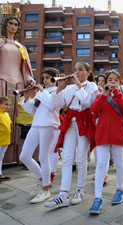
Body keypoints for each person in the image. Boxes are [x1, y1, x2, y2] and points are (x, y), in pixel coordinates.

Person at [45, 62, 98, 208]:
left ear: (88, 72)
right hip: (70, 122)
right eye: (75, 70)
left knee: (81, 157)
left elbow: (89, 103)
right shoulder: (69, 87)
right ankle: (63, 193)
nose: (77, 72)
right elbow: (56, 104)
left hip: (83, 122)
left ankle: (80, 190)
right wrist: (60, 88)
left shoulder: (92, 86)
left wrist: (78, 85)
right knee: (67, 157)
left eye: (80, 70)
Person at [89, 70, 123, 214]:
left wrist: (117, 94)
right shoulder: (101, 96)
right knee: (101, 164)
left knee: (119, 162)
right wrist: (104, 95)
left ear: (120, 83)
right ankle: (97, 197)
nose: (112, 82)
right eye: (110, 80)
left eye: (115, 80)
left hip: (118, 134)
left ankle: (120, 189)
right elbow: (94, 109)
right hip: (102, 134)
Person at [19, 68, 60, 203]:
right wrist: (27, 96)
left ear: (55, 78)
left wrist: (40, 90)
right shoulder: (41, 93)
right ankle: (43, 179)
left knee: (43, 156)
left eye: (48, 77)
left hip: (49, 125)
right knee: (24, 156)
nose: (45, 80)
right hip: (36, 125)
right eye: (44, 78)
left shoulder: (57, 91)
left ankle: (45, 189)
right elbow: (31, 110)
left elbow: (52, 105)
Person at [0, 12, 34, 163]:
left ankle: (12, 157)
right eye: (10, 23)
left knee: (15, 119)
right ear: (4, 25)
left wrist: (29, 79)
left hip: (18, 84)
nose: (13, 27)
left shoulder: (21, 47)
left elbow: (25, 69)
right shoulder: (1, 43)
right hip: (1, 81)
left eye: (16, 24)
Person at [0, 96, 11, 181]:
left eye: (9, 105)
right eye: (5, 104)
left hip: (5, 139)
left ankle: (0, 173)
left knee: (1, 157)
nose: (8, 106)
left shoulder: (6, 114)